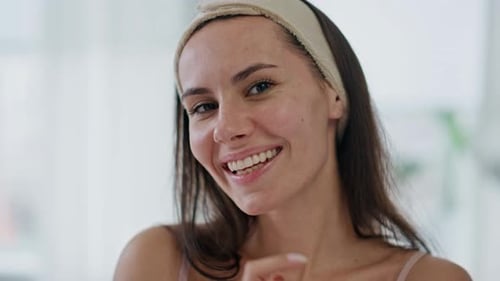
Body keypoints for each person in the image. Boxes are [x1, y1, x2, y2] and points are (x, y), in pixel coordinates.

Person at [113, 0, 472, 280]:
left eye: (259, 87)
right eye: (204, 106)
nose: (225, 128)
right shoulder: (158, 263)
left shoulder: (430, 278)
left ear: (334, 93)